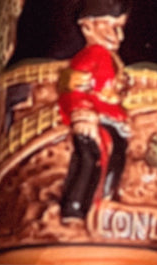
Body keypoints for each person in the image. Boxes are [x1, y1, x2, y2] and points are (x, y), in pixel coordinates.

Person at [58, 0, 131, 221]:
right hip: (89, 116)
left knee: (116, 152)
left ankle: (106, 196)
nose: (118, 35)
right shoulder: (90, 56)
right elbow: (74, 90)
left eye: (120, 28)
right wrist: (81, 113)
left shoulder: (107, 57)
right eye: (111, 27)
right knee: (88, 158)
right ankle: (75, 206)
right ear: (88, 27)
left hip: (107, 117)